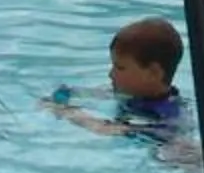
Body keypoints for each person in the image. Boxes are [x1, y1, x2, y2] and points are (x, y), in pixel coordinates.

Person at [43, 16, 191, 153]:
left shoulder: (168, 115)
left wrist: (69, 112)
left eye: (120, 68)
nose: (111, 74)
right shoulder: (134, 93)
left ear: (153, 73)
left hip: (167, 152)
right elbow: (103, 93)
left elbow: (105, 129)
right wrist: (69, 93)